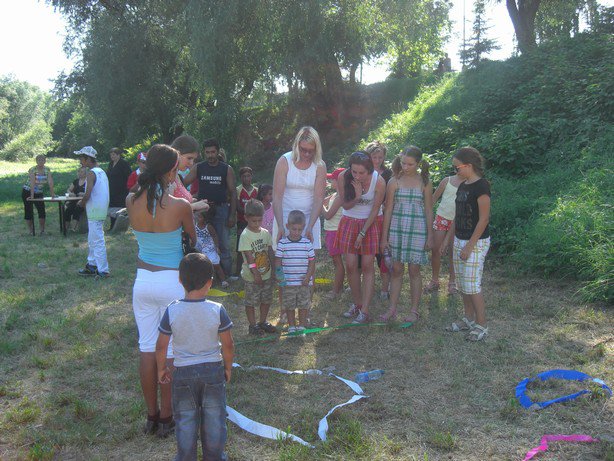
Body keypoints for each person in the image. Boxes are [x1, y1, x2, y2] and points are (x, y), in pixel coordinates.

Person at [125, 144, 196, 437]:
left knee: (146, 347)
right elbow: (192, 240)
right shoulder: (180, 205)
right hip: (171, 282)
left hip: (143, 280)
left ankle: (151, 415)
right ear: (170, 172)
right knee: (170, 351)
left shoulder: (131, 200)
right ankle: (167, 415)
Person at [156, 253, 234, 461]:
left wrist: (161, 368)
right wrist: (228, 367)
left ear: (180, 280)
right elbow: (228, 344)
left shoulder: (172, 310)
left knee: (185, 421)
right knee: (215, 419)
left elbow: (161, 345)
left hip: (182, 373)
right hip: (213, 372)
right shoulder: (217, 310)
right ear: (210, 282)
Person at [380, 146, 433, 323]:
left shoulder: (425, 182)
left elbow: (429, 209)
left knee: (414, 270)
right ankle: (392, 309)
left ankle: (414, 310)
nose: (406, 167)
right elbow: (388, 210)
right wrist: (384, 237)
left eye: (410, 164)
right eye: (403, 163)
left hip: (418, 230)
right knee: (396, 269)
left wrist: (430, 235)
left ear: (418, 164)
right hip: (397, 229)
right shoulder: (394, 181)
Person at [445, 147, 491, 341]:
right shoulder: (463, 186)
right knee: (463, 284)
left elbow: (484, 219)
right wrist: (448, 240)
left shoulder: (482, 186)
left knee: (472, 285)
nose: (456, 171)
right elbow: (458, 216)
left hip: (476, 242)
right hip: (459, 239)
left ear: (469, 166)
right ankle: (468, 319)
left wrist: (469, 246)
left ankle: (482, 324)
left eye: (457, 168)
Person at [335, 152, 386, 324]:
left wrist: (362, 233)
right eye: (354, 172)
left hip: (370, 222)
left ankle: (365, 310)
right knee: (350, 265)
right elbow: (345, 205)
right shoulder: (343, 177)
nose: (357, 176)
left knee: (367, 265)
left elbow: (375, 210)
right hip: (350, 220)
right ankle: (357, 304)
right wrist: (357, 196)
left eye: (361, 173)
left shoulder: (379, 181)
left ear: (369, 170)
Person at [182, 139, 237, 277]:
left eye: (213, 152)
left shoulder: (226, 168)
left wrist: (232, 214)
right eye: (207, 152)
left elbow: (233, 192)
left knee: (223, 243)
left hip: (221, 209)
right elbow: (183, 184)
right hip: (203, 211)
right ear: (204, 153)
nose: (210, 155)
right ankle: (206, 275)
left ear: (218, 152)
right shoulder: (199, 167)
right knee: (201, 243)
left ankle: (226, 275)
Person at [272, 126, 326, 250]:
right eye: (303, 150)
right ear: (297, 146)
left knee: (308, 257)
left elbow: (319, 199)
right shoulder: (284, 162)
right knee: (282, 256)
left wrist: (310, 226)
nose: (307, 154)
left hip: (309, 218)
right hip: (285, 218)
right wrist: (280, 225)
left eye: (311, 151)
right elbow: (277, 197)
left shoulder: (320, 166)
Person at [238, 199, 277, 335]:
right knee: (251, 302)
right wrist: (256, 274)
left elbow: (270, 251)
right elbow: (249, 258)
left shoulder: (265, 233)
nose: (257, 224)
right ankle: (253, 325)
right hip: (252, 277)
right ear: (246, 218)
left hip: (267, 274)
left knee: (266, 299)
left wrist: (274, 269)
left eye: (259, 220)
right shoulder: (245, 235)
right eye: (253, 221)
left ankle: (263, 322)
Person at [275, 210, 316, 332]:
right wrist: (280, 277)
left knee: (303, 305)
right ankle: (292, 326)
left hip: (303, 282)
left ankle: (302, 325)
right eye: (294, 229)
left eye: (299, 229)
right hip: (288, 283)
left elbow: (312, 262)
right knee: (289, 305)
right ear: (287, 226)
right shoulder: (282, 243)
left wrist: (308, 277)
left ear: (303, 227)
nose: (296, 232)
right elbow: (278, 261)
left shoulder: (307, 243)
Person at [424, 171, 463, 294]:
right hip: (442, 218)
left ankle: (452, 282)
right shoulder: (447, 181)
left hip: (458, 221)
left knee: (453, 252)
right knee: (436, 249)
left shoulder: (469, 183)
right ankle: (434, 280)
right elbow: (433, 200)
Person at [75, 147, 110, 278]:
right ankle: (91, 265)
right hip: (100, 208)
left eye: (82, 159)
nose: (80, 162)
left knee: (97, 240)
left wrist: (81, 202)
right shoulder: (101, 171)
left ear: (88, 159)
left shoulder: (91, 173)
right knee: (92, 238)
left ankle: (103, 270)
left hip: (95, 209)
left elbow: (88, 193)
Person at [366, 141, 393, 300]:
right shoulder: (363, 171)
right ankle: (362, 280)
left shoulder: (388, 174)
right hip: (364, 215)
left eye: (380, 157)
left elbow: (391, 194)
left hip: (381, 215)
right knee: (363, 251)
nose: (377, 160)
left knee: (383, 250)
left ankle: (385, 284)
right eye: (374, 157)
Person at [322, 167, 345, 299]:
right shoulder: (335, 195)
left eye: (333, 179)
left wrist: (320, 205)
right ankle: (339, 287)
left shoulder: (340, 197)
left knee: (338, 262)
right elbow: (324, 200)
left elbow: (328, 215)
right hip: (332, 231)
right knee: (336, 261)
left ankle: (336, 291)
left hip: (335, 232)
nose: (330, 181)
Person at [170, 134, 210, 211]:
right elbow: (165, 209)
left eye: (193, 159)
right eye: (189, 158)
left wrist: (192, 202)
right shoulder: (167, 177)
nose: (191, 163)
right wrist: (193, 206)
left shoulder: (176, 175)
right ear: (177, 154)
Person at [195, 206, 229, 288]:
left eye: (199, 217)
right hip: (201, 249)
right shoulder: (195, 226)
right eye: (197, 216)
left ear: (204, 218)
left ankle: (223, 280)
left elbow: (214, 236)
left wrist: (217, 247)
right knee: (205, 267)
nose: (197, 218)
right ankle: (208, 283)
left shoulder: (208, 227)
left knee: (216, 265)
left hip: (210, 249)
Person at [22, 154, 55, 235]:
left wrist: (52, 194)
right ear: (36, 161)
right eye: (39, 160)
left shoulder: (47, 169)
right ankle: (31, 230)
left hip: (39, 192)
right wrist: (32, 196)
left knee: (41, 210)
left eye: (42, 160)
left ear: (45, 161)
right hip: (28, 191)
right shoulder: (32, 169)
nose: (41, 162)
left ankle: (42, 230)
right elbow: (32, 183)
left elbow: (50, 182)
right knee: (28, 210)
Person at [235, 167, 258, 278]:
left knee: (254, 245)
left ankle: (256, 267)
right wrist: (249, 214)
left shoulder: (256, 190)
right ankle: (238, 271)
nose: (246, 178)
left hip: (254, 222)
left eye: (248, 176)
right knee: (241, 246)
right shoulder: (238, 190)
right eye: (244, 176)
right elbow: (238, 206)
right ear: (241, 178)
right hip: (242, 221)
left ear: (251, 176)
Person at [106, 147, 132, 229]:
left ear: (118, 155)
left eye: (114, 154)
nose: (112, 156)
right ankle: (112, 225)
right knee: (112, 207)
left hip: (122, 190)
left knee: (120, 207)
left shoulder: (123, 163)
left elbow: (129, 175)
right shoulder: (110, 164)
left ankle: (120, 226)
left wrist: (128, 187)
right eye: (111, 155)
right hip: (112, 190)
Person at [64, 166, 87, 233]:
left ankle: (73, 228)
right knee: (68, 210)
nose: (79, 173)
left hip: (83, 201)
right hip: (74, 200)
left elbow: (90, 192)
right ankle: (66, 228)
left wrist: (83, 194)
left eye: (81, 172)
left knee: (77, 209)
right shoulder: (76, 181)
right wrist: (70, 193)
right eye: (78, 171)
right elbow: (68, 190)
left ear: (85, 173)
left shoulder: (88, 182)